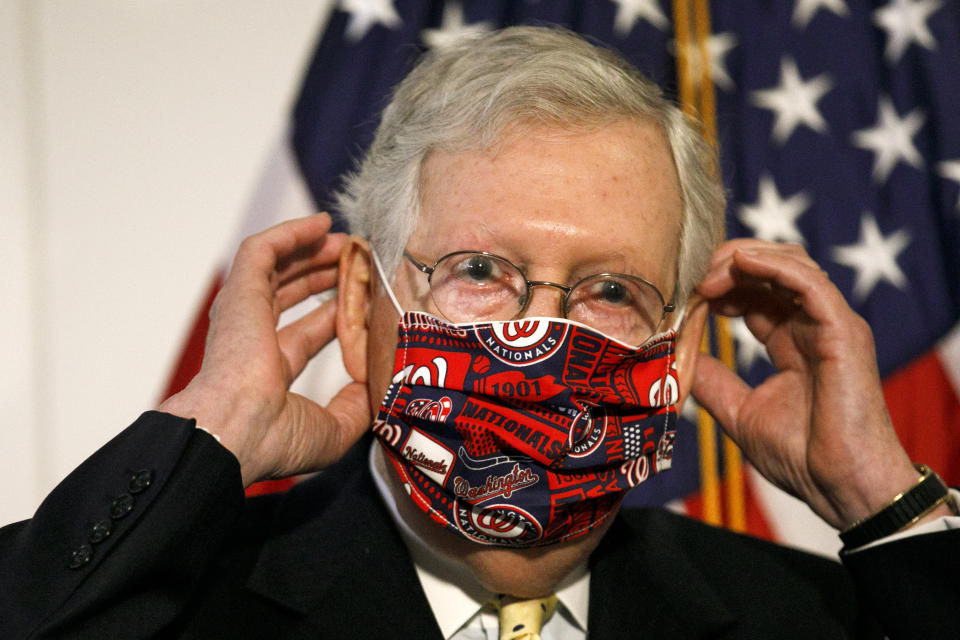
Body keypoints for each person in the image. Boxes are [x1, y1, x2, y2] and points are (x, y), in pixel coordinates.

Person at [2, 26, 957, 640]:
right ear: (359, 304)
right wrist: (211, 427)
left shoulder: (807, 620)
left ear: (680, 344)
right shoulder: (175, 606)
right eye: (479, 272)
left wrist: (885, 504)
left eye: (611, 290)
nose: (540, 337)